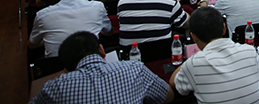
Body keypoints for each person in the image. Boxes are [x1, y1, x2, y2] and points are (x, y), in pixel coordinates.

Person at [30, 31, 173, 104]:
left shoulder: (56, 88)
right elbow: (167, 96)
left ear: (65, 69)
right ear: (101, 50)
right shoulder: (134, 68)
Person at [170, 6, 259, 103]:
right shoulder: (250, 51)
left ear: (193, 37)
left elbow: (174, 83)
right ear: (224, 28)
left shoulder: (193, 64)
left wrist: (188, 61)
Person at [29, 0, 113, 57]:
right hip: (90, 61)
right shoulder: (98, 7)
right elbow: (109, 31)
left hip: (56, 65)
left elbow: (32, 44)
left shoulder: (42, 15)